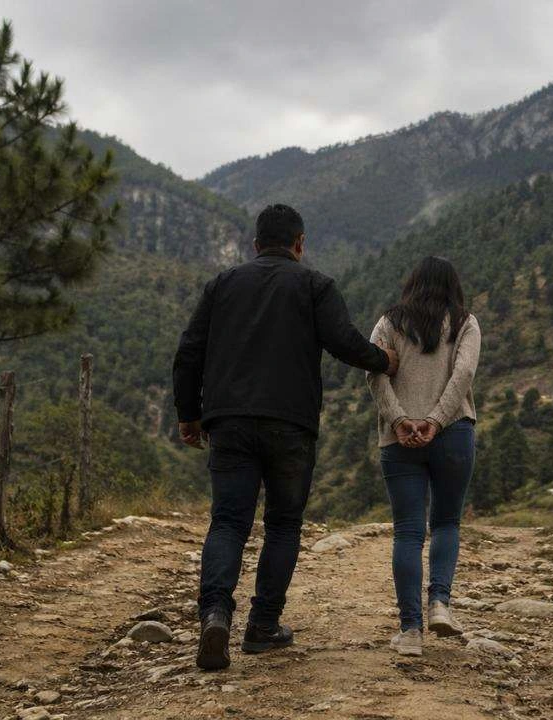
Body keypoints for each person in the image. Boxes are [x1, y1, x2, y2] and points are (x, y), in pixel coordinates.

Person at [173, 203, 398, 671]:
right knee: (282, 525)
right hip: (290, 426)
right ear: (300, 244)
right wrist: (385, 361)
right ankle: (262, 626)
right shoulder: (316, 285)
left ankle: (215, 614)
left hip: (229, 421)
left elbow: (189, 351)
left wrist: (189, 415)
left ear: (255, 245)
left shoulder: (222, 285)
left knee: (229, 521)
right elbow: (344, 342)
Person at [367, 256, 480, 657]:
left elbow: (374, 373)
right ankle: (440, 604)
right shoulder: (466, 322)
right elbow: (463, 374)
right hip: (453, 433)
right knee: (447, 521)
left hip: (398, 441)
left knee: (408, 532)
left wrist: (400, 420)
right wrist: (436, 419)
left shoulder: (389, 322)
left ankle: (411, 631)